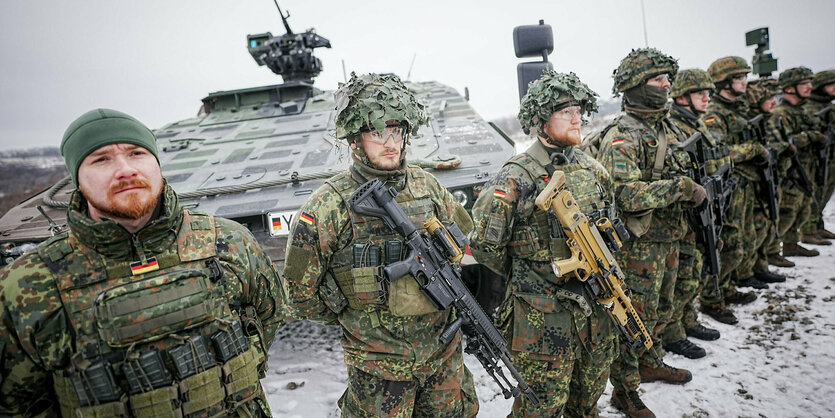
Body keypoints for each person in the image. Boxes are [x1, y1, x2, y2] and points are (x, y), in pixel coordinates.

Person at [0, 108, 284, 416]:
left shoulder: (228, 241)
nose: (124, 170)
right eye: (101, 159)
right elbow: (18, 403)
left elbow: (266, 317)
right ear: (76, 180)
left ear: (156, 163)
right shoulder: (27, 284)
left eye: (137, 153)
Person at [281, 73, 478, 417]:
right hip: (378, 369)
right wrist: (355, 316)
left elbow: (461, 239)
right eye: (377, 132)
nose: (390, 142)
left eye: (397, 131)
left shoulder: (427, 187)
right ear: (356, 140)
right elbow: (299, 295)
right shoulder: (327, 206)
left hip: (442, 357)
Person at [469, 71, 618, 417]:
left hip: (594, 312)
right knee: (540, 409)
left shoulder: (594, 171)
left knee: (587, 401)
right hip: (541, 322)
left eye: (578, 109)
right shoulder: (516, 176)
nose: (576, 116)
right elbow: (485, 246)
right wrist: (531, 274)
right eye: (565, 111)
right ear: (540, 119)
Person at [598, 48, 699, 418]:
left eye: (667, 79)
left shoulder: (665, 126)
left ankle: (649, 361)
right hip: (640, 246)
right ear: (637, 87)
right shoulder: (623, 135)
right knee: (632, 319)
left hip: (669, 238)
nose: (667, 85)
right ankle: (624, 391)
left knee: (658, 311)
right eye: (659, 80)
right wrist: (681, 189)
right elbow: (625, 193)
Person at [662, 69, 728, 359]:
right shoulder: (675, 125)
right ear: (682, 96)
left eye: (708, 92)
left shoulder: (694, 123)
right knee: (684, 277)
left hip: (700, 207)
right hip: (684, 214)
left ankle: (687, 321)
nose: (707, 97)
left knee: (695, 268)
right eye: (700, 92)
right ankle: (673, 333)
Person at [700, 56, 764, 324]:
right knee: (727, 239)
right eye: (739, 79)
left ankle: (726, 287)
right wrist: (753, 150)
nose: (744, 83)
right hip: (728, 184)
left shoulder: (739, 108)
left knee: (743, 237)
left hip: (744, 181)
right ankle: (712, 297)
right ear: (724, 82)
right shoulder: (715, 113)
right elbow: (720, 151)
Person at [768, 67, 829, 257]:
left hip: (806, 166)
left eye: (810, 83)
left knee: (803, 209)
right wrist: (810, 137)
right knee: (786, 211)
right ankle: (772, 251)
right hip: (791, 170)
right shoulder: (780, 113)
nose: (809, 87)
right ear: (789, 88)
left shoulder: (802, 110)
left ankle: (791, 244)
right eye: (804, 84)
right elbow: (782, 142)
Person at [802, 69, 835, 241]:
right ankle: (809, 230)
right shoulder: (811, 107)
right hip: (814, 158)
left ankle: (817, 225)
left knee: (825, 191)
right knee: (814, 191)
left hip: (828, 156)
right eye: (831, 85)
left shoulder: (828, 106)